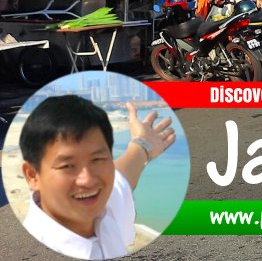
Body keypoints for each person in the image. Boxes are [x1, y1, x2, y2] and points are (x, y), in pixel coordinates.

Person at [19, 95, 175, 260]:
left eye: (97, 159)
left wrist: (142, 145)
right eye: (67, 166)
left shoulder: (102, 208)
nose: (88, 180)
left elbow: (121, 178)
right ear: (32, 175)